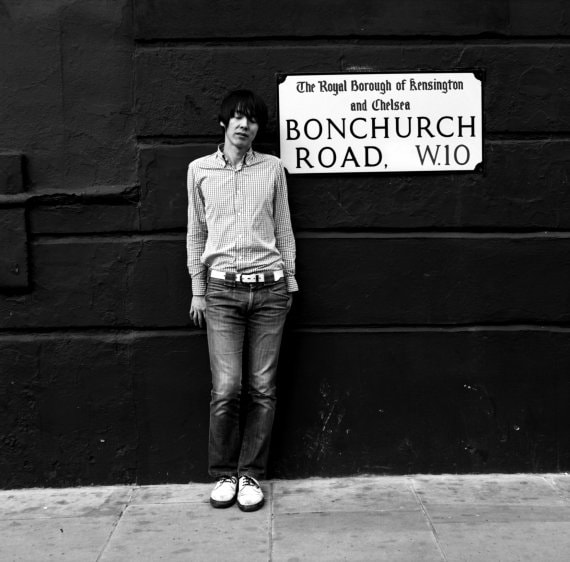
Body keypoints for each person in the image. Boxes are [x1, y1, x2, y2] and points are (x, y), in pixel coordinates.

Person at [186, 89, 298, 512]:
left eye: (251, 119)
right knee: (227, 388)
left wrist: (289, 283)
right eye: (236, 117)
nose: (244, 125)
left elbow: (284, 228)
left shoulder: (272, 169)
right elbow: (196, 233)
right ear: (224, 122)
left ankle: (250, 474)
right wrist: (198, 289)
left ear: (257, 128)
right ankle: (223, 474)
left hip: (270, 289)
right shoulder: (199, 170)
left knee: (263, 388)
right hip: (221, 292)